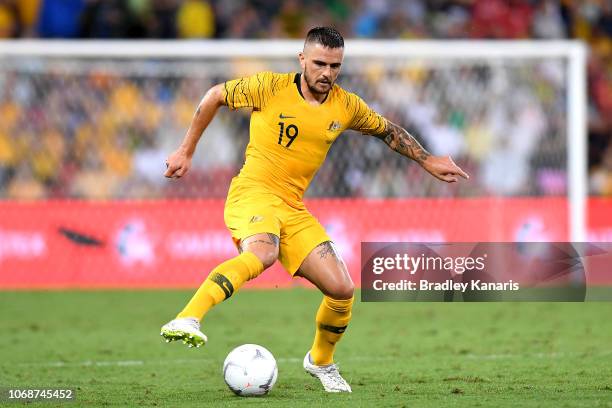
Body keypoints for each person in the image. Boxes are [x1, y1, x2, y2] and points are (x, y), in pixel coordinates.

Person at [160, 26, 468, 393]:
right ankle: (188, 318)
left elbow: (387, 130)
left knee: (341, 288)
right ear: (302, 59)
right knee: (264, 252)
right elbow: (214, 96)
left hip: (292, 207)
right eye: (320, 63)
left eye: (335, 65)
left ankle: (320, 362)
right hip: (253, 193)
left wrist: (427, 159)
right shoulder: (269, 87)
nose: (327, 72)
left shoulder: (346, 105)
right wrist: (186, 150)